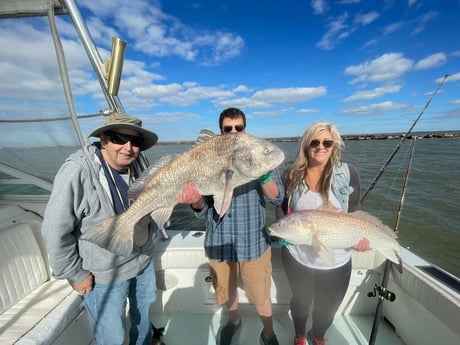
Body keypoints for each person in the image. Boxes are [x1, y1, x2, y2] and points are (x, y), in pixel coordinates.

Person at [41, 112, 162, 345]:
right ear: (103, 139)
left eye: (135, 142)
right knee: (112, 338)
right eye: (119, 138)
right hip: (103, 273)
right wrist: (76, 274)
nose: (128, 148)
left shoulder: (139, 163)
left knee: (143, 322)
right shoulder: (78, 170)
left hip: (142, 260)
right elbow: (54, 229)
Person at [179, 107, 285, 345]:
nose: (234, 131)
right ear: (221, 131)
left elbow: (277, 198)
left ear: (245, 129)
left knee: (260, 294)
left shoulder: (259, 155)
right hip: (219, 241)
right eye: (228, 129)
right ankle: (234, 321)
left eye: (239, 127)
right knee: (226, 293)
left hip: (253, 243)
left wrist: (264, 175)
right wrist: (194, 198)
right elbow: (202, 210)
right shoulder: (209, 158)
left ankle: (268, 333)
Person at [278, 122, 370, 345]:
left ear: (334, 145)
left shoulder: (348, 173)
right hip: (298, 257)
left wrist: (362, 237)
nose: (321, 147)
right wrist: (282, 233)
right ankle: (299, 334)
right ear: (306, 145)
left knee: (328, 307)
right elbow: (282, 208)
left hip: (337, 260)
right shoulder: (291, 174)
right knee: (300, 301)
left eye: (327, 142)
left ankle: (317, 335)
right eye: (315, 142)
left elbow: (355, 211)